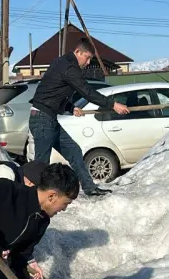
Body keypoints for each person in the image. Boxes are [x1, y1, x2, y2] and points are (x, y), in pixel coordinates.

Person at [29, 37, 129, 197]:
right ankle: (32, 197)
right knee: (41, 163)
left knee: (74, 151)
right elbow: (87, 91)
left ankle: (89, 187)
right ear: (78, 52)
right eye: (87, 57)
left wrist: (71, 107)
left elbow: (54, 90)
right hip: (42, 118)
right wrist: (113, 104)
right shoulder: (69, 67)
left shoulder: (63, 63)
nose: (88, 62)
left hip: (48, 117)